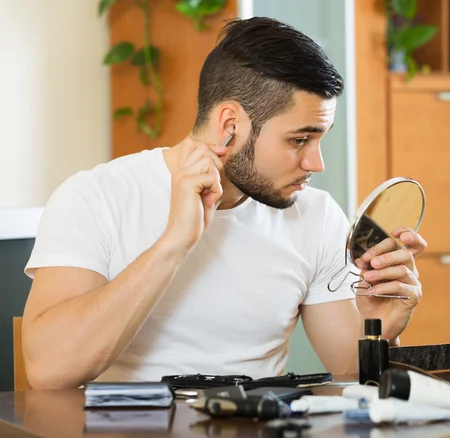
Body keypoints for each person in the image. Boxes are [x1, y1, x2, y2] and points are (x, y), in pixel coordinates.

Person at [21, 17, 427, 390]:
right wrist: (173, 245)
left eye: (320, 139)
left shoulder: (315, 216)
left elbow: (349, 375)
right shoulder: (95, 197)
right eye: (299, 140)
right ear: (231, 126)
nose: (315, 163)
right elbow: (48, 371)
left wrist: (381, 326)